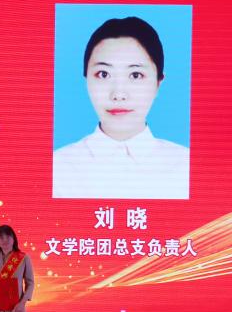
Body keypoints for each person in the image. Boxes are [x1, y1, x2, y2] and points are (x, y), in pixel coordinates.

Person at [52, 16, 189, 199]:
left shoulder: (186, 166)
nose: (118, 94)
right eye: (103, 74)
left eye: (135, 75)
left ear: (158, 83)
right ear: (86, 79)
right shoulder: (58, 168)